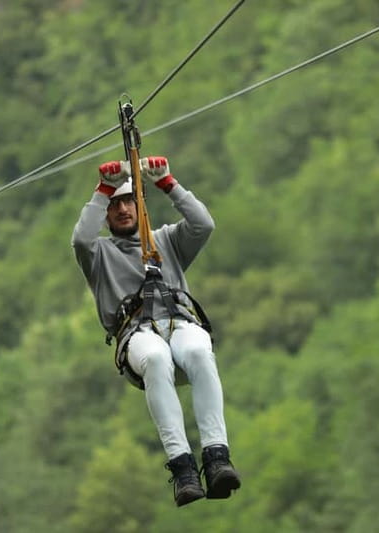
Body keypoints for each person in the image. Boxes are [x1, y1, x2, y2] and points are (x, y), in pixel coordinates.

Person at [71, 155, 241, 507]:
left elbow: (203, 225)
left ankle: (217, 457)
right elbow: (80, 240)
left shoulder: (167, 241)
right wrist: (102, 190)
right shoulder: (99, 255)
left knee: (197, 350)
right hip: (138, 335)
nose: (122, 210)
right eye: (114, 205)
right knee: (157, 357)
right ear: (106, 213)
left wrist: (168, 183)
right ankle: (183, 468)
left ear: (140, 205)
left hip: (180, 324)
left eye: (128, 201)